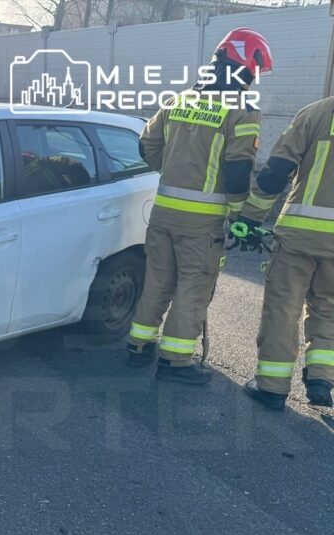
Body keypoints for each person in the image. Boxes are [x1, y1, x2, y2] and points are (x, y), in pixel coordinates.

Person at [126, 29, 273, 384]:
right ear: (246, 67)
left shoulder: (178, 100)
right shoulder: (242, 110)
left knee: (158, 281)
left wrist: (174, 173)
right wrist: (239, 216)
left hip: (163, 213)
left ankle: (138, 346)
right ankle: (175, 362)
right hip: (201, 224)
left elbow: (146, 146)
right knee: (193, 287)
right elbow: (238, 169)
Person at [232, 95, 334, 411]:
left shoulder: (316, 113)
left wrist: (251, 217)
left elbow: (277, 170)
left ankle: (272, 386)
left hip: (300, 235)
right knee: (329, 308)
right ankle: (321, 378)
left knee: (283, 307)